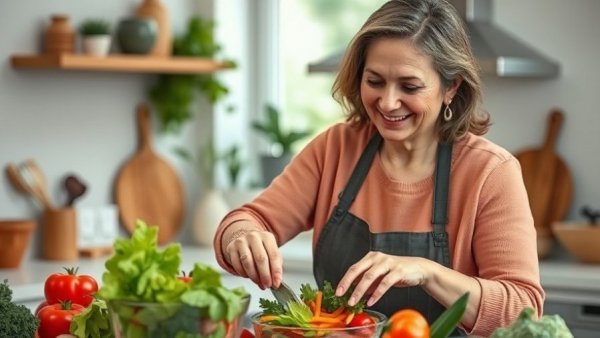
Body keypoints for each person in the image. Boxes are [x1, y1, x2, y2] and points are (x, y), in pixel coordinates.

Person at [213, 0, 544, 336]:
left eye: (409, 86)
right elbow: (246, 220)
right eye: (375, 81)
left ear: (451, 86)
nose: (387, 102)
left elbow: (521, 307)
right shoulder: (336, 149)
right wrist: (243, 237)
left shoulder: (490, 172)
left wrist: (427, 272)